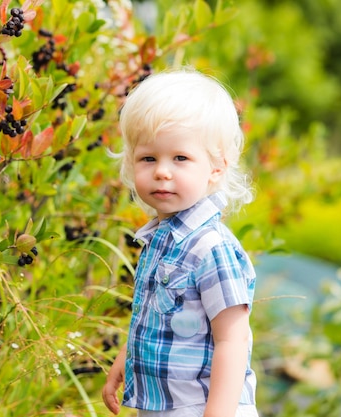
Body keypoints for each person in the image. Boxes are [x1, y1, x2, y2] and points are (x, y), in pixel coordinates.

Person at [102, 68, 258, 417]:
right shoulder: (163, 239)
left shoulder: (211, 249)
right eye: (148, 158)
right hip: (166, 404)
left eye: (180, 158)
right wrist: (127, 357)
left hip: (203, 405)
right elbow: (158, 315)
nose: (162, 171)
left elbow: (233, 341)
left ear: (216, 167)